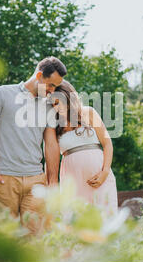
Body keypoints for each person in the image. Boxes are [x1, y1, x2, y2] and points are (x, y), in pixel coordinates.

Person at [0, 56, 64, 235]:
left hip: (36, 181)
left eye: (55, 87)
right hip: (5, 178)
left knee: (35, 237)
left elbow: (50, 143)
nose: (52, 91)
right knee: (6, 237)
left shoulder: (48, 106)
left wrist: (53, 180)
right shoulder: (2, 94)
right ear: (39, 75)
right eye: (50, 85)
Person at [50, 80, 118, 216]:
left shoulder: (88, 113)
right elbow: (53, 160)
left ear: (68, 98)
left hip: (100, 179)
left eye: (58, 102)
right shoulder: (54, 125)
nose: (56, 107)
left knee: (105, 222)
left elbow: (107, 143)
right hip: (72, 184)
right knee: (76, 225)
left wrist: (104, 172)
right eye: (53, 105)